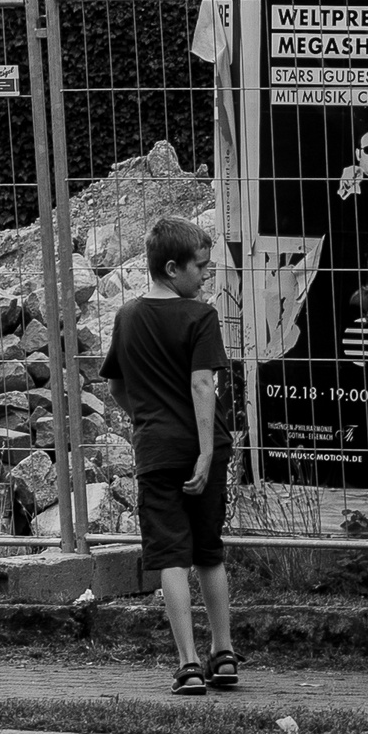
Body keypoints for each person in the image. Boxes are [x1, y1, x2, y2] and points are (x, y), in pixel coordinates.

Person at [101, 217, 239, 696]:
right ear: (173, 267)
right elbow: (203, 383)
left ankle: (189, 665)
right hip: (206, 447)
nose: (205, 276)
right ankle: (224, 653)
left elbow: (117, 385)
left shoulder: (128, 316)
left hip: (156, 449)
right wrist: (204, 453)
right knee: (209, 551)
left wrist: (146, 418)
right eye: (200, 267)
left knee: (171, 558)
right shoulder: (200, 316)